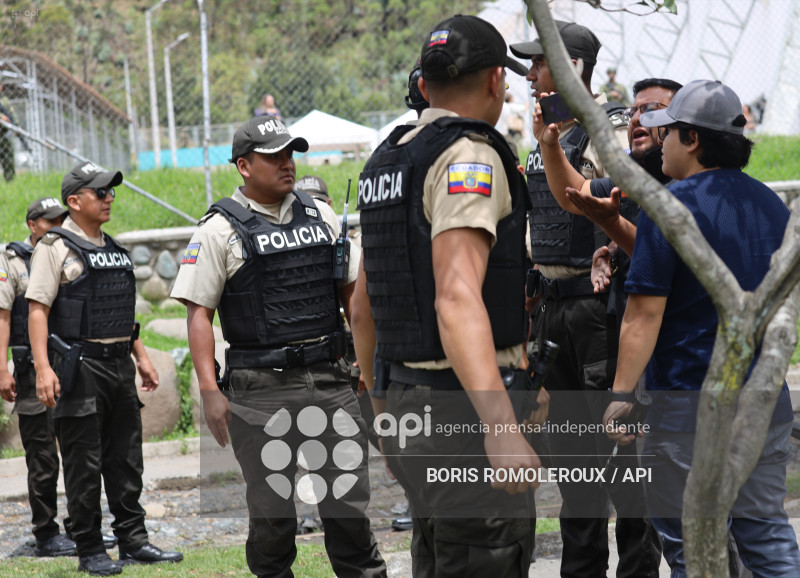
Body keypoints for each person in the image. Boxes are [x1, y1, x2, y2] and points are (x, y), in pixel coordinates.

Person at [352, 15, 543, 576]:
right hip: (461, 414)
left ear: (425, 84)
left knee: (437, 557)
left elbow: (363, 308)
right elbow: (456, 297)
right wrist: (501, 427)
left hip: (407, 401)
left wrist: (383, 415)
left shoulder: (385, 160)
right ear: (495, 80)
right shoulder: (469, 156)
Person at [170, 115, 386, 578]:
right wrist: (209, 391)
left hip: (330, 380)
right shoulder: (217, 230)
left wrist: (366, 364)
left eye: (291, 154)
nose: (288, 163)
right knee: (273, 516)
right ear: (244, 166)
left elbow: (351, 295)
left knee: (348, 508)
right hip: (260, 391)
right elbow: (199, 314)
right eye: (275, 156)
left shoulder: (320, 214)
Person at [603, 79, 800, 577]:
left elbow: (643, 314)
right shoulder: (771, 205)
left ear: (692, 139)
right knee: (767, 539)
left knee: (693, 548)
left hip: (687, 410)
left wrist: (621, 394)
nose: (660, 143)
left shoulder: (670, 207)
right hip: (764, 401)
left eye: (668, 133)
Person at [510, 21, 661, 578]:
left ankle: (638, 569)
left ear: (573, 67)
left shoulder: (609, 130)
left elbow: (628, 209)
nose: (530, 73)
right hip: (553, 313)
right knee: (574, 469)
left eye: (539, 62)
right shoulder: (546, 134)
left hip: (599, 313)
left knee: (622, 463)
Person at [26, 162, 183, 576]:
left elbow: (119, 310)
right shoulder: (54, 247)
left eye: (111, 191)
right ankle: (91, 549)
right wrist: (42, 369)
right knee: (84, 463)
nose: (109, 198)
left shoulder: (112, 248)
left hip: (119, 366)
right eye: (100, 192)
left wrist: (141, 356)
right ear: (74, 201)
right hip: (80, 369)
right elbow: (38, 310)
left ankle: (133, 541)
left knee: (126, 459)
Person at [0, 198, 75, 557]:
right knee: (42, 456)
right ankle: (46, 533)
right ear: (32, 225)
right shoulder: (13, 261)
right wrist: (2, 368)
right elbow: (3, 316)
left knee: (79, 451)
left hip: (71, 367)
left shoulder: (71, 252)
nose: (57, 226)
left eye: (61, 220)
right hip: (31, 371)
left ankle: (81, 527)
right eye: (49, 221)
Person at [0, 82, 18, 181]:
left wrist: (16, 126)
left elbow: (12, 113)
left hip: (3, 132)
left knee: (8, 156)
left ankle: (10, 179)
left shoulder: (4, 101)